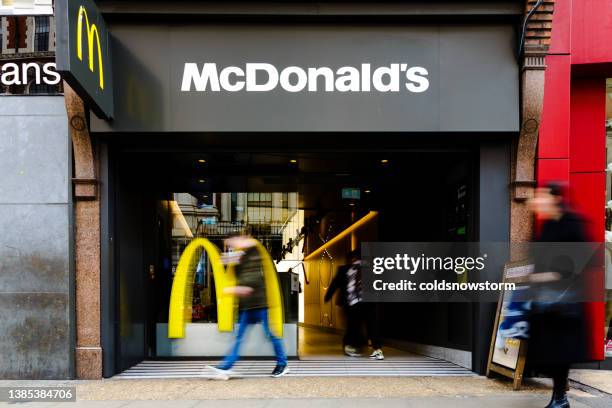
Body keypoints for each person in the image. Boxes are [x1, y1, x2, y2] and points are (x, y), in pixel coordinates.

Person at [527, 182, 591, 408]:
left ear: (554, 198)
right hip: (547, 302)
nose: (535, 202)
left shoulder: (573, 224)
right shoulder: (547, 226)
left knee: (559, 352)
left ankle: (560, 399)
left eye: (540, 197)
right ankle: (558, 397)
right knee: (550, 351)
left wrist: (546, 276)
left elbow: (580, 264)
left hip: (565, 303)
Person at [207, 235, 288, 379]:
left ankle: (282, 364)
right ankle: (226, 366)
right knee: (238, 338)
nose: (230, 249)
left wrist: (231, 290)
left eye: (233, 245)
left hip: (260, 305)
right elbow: (237, 271)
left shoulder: (254, 252)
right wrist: (228, 259)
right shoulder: (240, 259)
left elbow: (250, 285)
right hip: (246, 307)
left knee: (271, 334)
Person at [324, 249, 384, 360]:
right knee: (355, 326)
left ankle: (374, 348)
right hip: (354, 303)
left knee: (366, 325)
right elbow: (335, 283)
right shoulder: (345, 269)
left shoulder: (368, 269)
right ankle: (353, 346)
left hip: (363, 303)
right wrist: (328, 296)